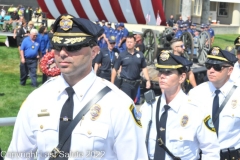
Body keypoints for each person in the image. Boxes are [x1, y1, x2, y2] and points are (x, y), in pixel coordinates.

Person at [6, 14, 148, 160]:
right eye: (57, 46)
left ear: (94, 52)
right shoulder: (38, 99)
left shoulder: (118, 104)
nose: (62, 53)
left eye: (72, 47)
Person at [141, 50, 220, 159]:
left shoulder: (196, 110)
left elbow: (211, 151)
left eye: (168, 72)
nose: (162, 76)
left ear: (182, 77)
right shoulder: (149, 106)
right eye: (160, 71)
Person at [188, 47, 240, 160]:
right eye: (208, 66)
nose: (211, 70)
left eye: (217, 67)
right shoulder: (195, 94)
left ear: (230, 70)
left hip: (230, 156)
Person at [111, 35, 151, 100]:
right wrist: (112, 83)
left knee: (132, 102)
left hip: (135, 83)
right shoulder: (122, 55)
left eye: (131, 42)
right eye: (127, 42)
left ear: (135, 43)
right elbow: (115, 69)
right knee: (126, 102)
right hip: (125, 83)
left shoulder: (140, 54)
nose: (129, 44)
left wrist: (148, 80)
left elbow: (144, 68)